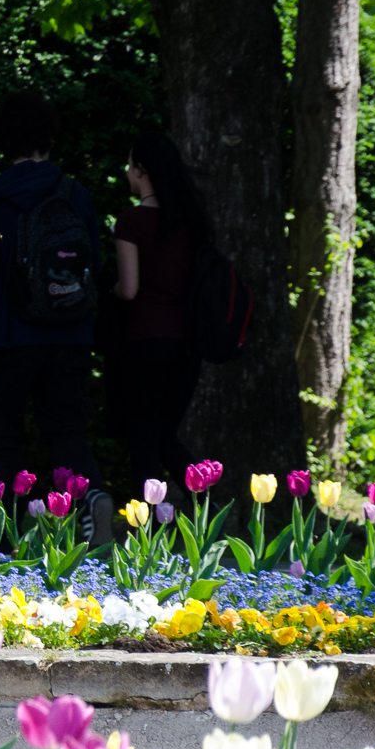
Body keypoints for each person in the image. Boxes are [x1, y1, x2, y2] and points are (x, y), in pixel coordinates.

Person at [0, 92, 114, 543]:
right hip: (71, 333)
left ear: (3, 139)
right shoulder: (76, 194)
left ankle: (5, 537)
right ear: (49, 135)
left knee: (1, 432)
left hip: (9, 334)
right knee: (66, 429)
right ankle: (92, 496)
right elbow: (93, 267)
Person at [111, 130, 213, 494]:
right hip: (186, 342)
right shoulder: (193, 223)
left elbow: (130, 288)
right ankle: (207, 508)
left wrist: (107, 290)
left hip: (143, 339)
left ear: (140, 169)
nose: (126, 172)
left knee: (143, 436)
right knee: (167, 434)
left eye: (128, 165)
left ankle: (148, 528)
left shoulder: (131, 222)